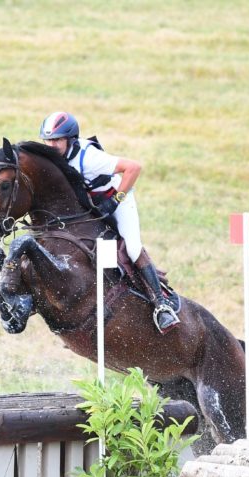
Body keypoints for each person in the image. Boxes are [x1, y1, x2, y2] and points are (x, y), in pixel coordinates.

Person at [39, 111, 179, 333]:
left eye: (57, 140)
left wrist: (116, 200)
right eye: (48, 139)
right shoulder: (52, 157)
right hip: (90, 205)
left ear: (71, 139)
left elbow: (134, 167)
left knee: (131, 247)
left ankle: (161, 305)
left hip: (117, 199)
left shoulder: (90, 157)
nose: (52, 144)